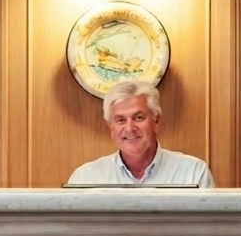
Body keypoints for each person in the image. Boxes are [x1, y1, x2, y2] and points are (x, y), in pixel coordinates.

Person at [66, 80, 215, 188]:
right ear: (111, 128)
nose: (130, 128)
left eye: (138, 118)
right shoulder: (85, 179)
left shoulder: (193, 173)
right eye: (120, 120)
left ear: (156, 121)